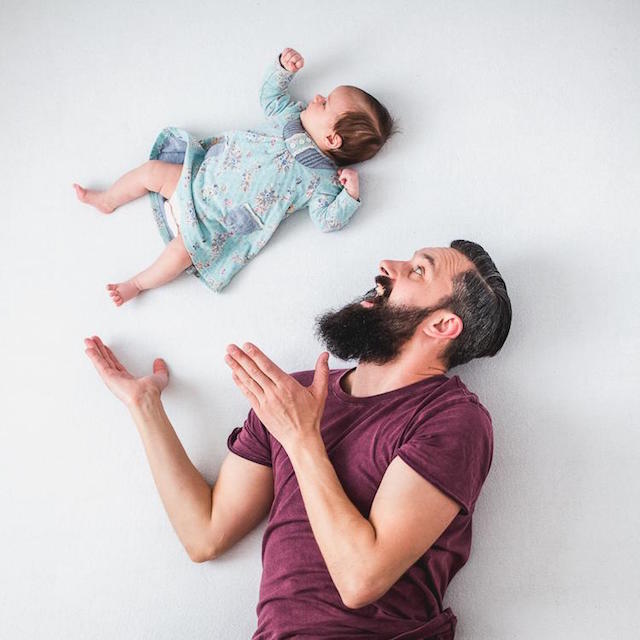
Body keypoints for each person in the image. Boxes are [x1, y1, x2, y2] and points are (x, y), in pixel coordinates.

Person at [84, 240, 511, 639]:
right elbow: (205, 535)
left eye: (418, 271)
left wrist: (301, 436)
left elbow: (361, 579)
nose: (387, 266)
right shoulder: (291, 398)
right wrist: (144, 405)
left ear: (442, 324)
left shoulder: (452, 420)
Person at [73, 47, 394, 305]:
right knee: (151, 171)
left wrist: (349, 196)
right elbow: (270, 97)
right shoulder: (290, 116)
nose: (318, 97)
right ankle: (107, 199)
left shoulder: (322, 179)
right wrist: (282, 70)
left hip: (214, 223)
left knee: (181, 255)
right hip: (196, 179)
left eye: (325, 104)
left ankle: (137, 283)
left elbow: (326, 221)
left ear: (332, 140)